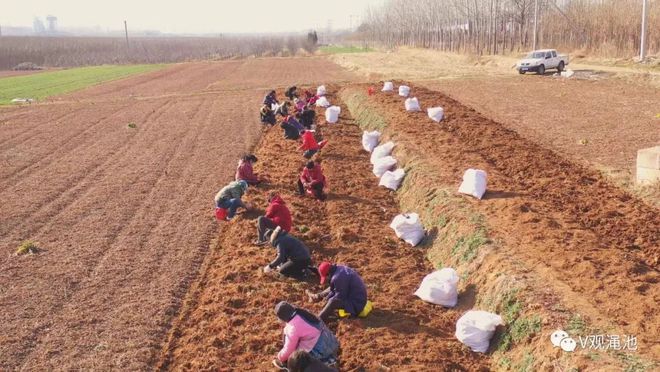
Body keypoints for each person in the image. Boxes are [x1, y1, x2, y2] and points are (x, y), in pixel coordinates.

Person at [272, 301, 339, 369]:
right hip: (332, 342)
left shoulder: (292, 328)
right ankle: (330, 360)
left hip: (321, 350)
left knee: (298, 358)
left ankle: (326, 363)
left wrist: (280, 357)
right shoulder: (303, 313)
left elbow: (289, 349)